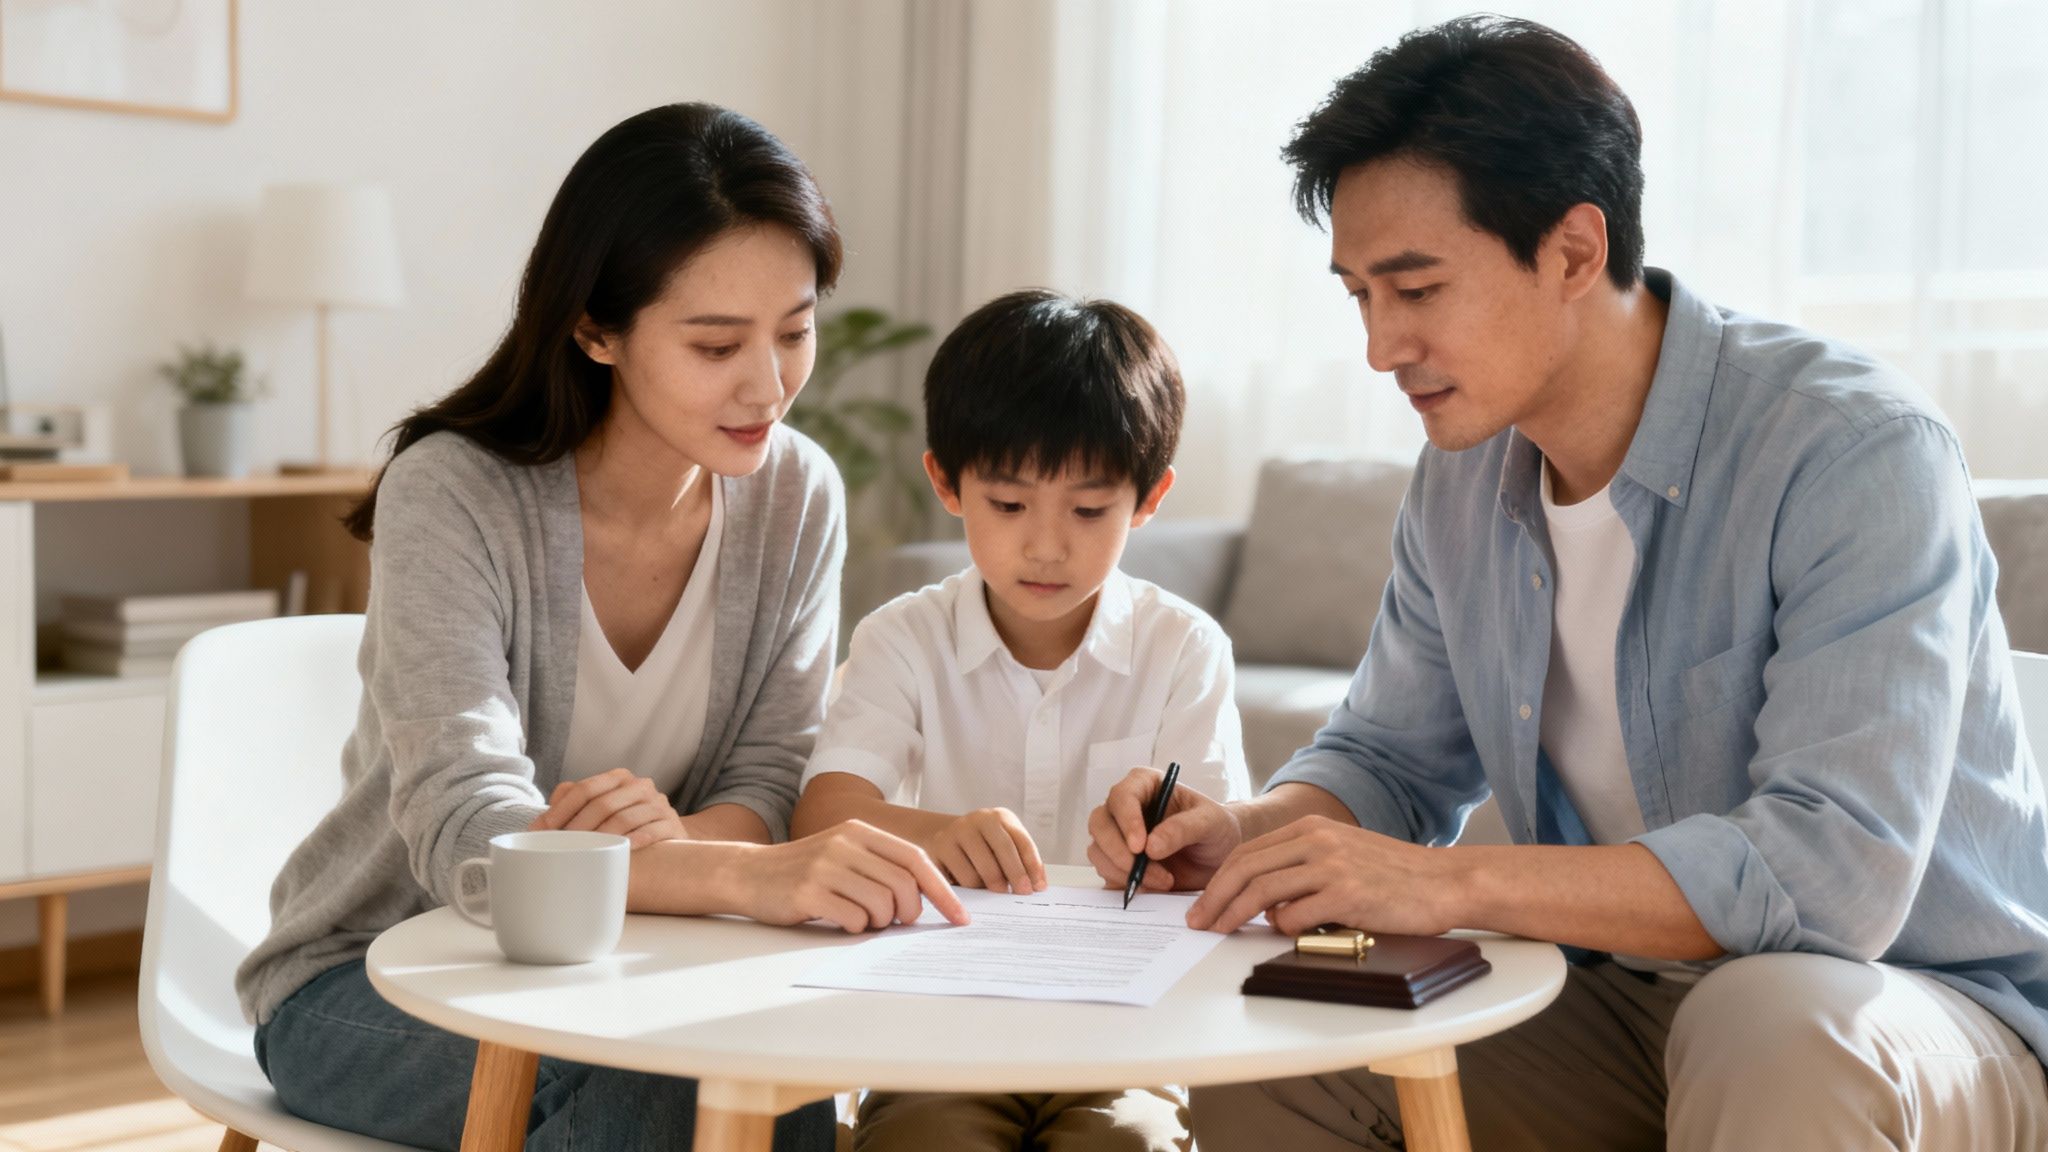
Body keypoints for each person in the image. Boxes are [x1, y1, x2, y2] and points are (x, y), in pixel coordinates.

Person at [1088, 17, 2048, 1150]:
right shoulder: (1459, 478)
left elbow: (1833, 876)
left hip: (1910, 1007)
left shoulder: (1847, 450)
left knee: (1768, 1024)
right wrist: (1251, 834)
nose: (1378, 346)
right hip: (1623, 1002)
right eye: (1357, 295)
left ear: (1573, 251)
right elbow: (1389, 760)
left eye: (1416, 287)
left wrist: (1442, 888)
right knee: (1276, 1048)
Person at [235, 102, 965, 1152]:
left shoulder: (796, 493)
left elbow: (765, 779)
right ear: (594, 329)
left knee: (765, 1063)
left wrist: (656, 853)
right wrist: (736, 875)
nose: (769, 385)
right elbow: (468, 835)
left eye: (795, 331)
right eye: (716, 344)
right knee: (676, 1080)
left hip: (645, 957)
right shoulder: (453, 494)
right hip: (383, 973)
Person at [792, 289, 1251, 1151]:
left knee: (1129, 1143)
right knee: (926, 1141)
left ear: (1148, 499)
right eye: (1008, 506)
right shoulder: (904, 636)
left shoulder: (1184, 648)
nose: (1046, 546)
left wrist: (1168, 851)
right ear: (946, 484)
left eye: (1087, 510)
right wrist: (940, 833)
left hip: (1126, 1026)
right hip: (945, 1022)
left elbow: (1218, 853)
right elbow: (822, 811)